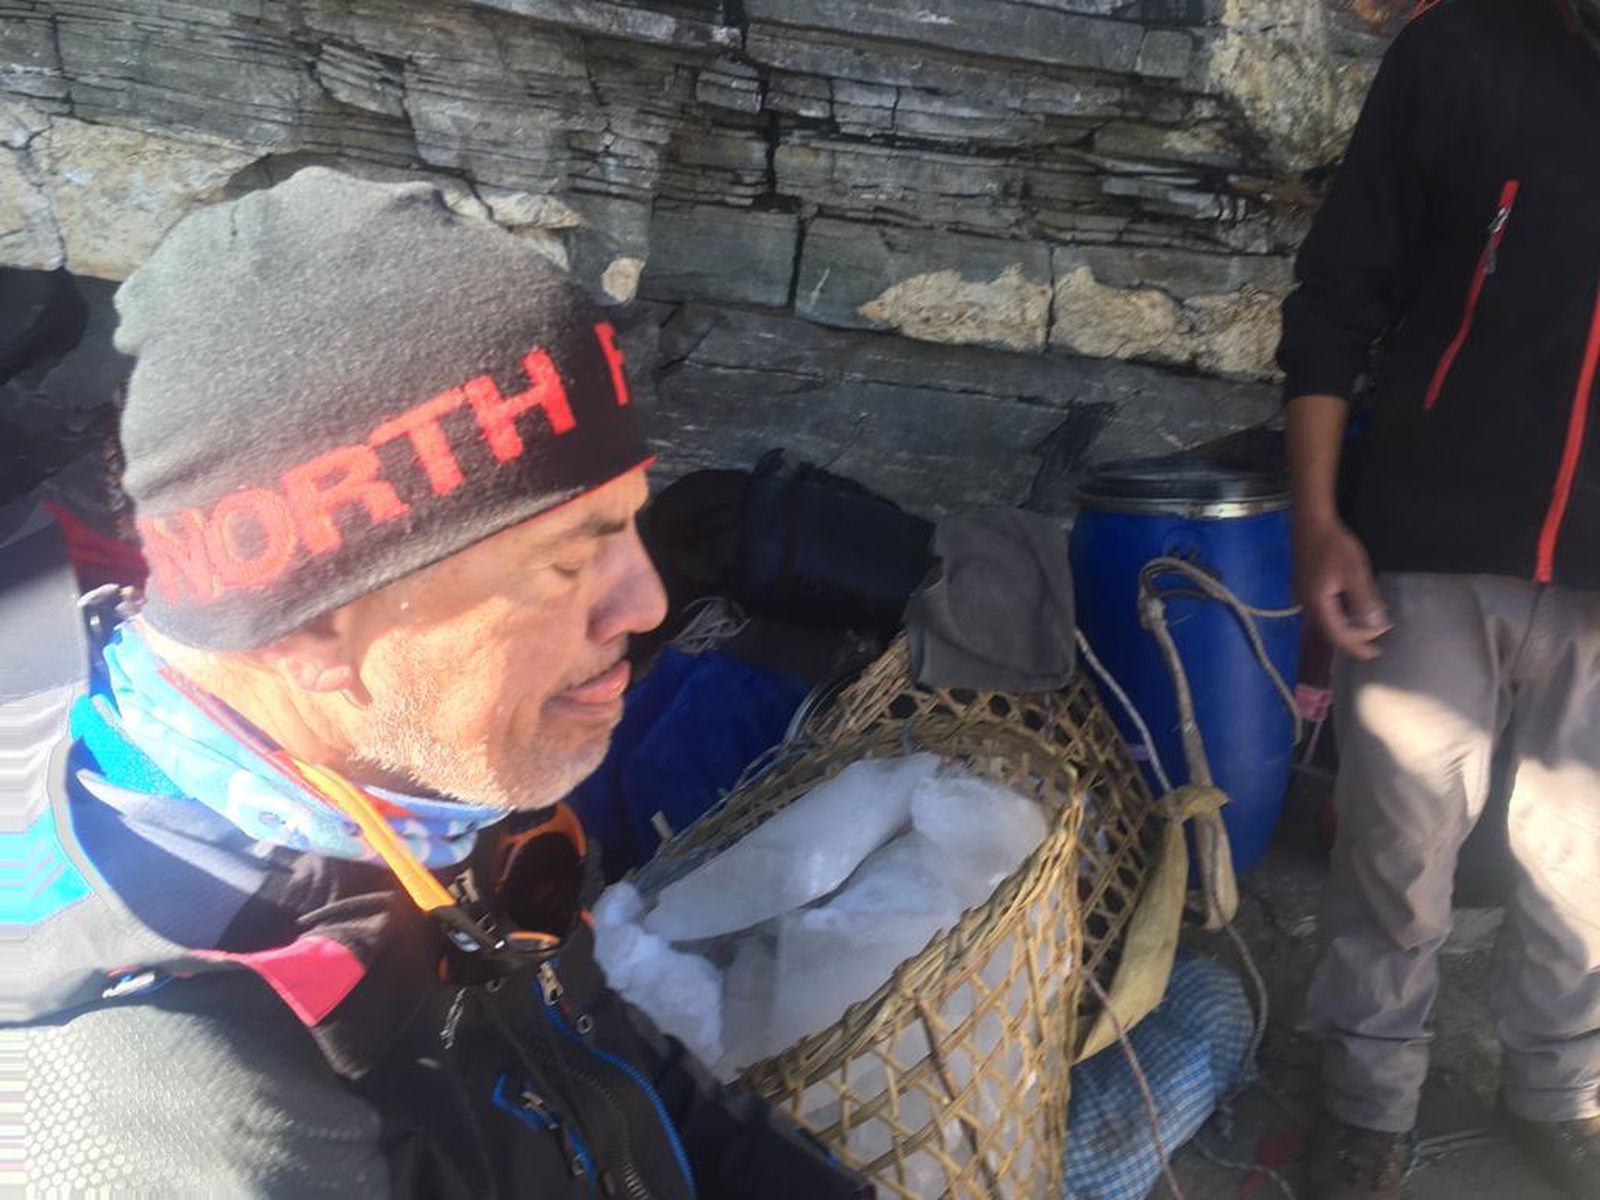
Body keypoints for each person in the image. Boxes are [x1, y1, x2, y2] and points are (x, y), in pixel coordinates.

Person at [8, 167, 865, 1198]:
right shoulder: (183, 1114)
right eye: (565, 561)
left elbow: (610, 1061)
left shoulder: (409, 788)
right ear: (310, 625)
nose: (646, 602)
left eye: (632, 522)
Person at [1277, 1, 1600, 1197]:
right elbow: (1333, 301)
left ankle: (1558, 1089)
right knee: (1395, 844)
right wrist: (1320, 521)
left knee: (1587, 858)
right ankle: (1365, 1107)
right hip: (1429, 532)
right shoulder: (1458, 49)